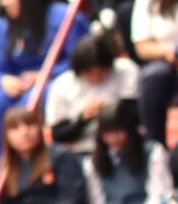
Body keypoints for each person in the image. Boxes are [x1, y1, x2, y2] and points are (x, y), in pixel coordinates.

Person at [0, 0, 83, 161]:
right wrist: (4, 80)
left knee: (29, 103)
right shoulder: (8, 26)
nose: (3, 2)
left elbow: (80, 60)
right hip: (19, 85)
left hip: (54, 81)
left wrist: (45, 75)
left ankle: (33, 161)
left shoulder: (63, 17)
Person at [44, 34, 140, 162]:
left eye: (101, 72)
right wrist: (83, 119)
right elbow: (57, 134)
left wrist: (110, 111)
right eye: (89, 73)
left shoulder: (125, 70)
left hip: (126, 146)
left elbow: (138, 112)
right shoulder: (62, 85)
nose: (96, 77)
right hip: (82, 151)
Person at [84, 96, 171, 204]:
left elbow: (160, 194)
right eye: (107, 133)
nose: (114, 138)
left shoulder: (152, 151)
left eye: (118, 131)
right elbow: (96, 202)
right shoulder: (94, 161)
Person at [131, 0, 178, 147]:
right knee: (154, 77)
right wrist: (168, 52)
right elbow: (142, 46)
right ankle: (156, 145)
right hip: (167, 63)